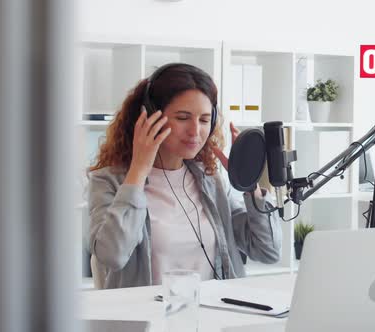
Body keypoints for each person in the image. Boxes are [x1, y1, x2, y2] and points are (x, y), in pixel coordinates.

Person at [87, 63, 282, 289]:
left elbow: (268, 251)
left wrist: (248, 182)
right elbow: (112, 255)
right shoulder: (108, 181)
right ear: (150, 118)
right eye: (182, 117)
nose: (195, 131)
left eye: (204, 120)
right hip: (149, 319)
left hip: (213, 317)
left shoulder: (211, 180)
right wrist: (139, 170)